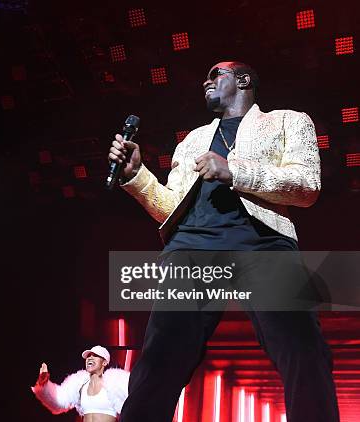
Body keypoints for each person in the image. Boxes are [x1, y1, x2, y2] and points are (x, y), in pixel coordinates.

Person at [108, 61, 339, 422]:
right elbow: (170, 206)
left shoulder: (288, 120)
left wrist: (234, 171)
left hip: (263, 242)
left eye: (216, 73)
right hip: (191, 245)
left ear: (243, 80)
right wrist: (137, 176)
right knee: (161, 355)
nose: (206, 80)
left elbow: (306, 185)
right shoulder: (192, 140)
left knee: (302, 347)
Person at [32, 345, 130, 421]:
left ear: (104, 362)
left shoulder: (115, 384)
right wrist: (44, 384)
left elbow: (137, 400)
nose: (90, 358)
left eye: (95, 356)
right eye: (88, 356)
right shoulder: (79, 384)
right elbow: (59, 402)